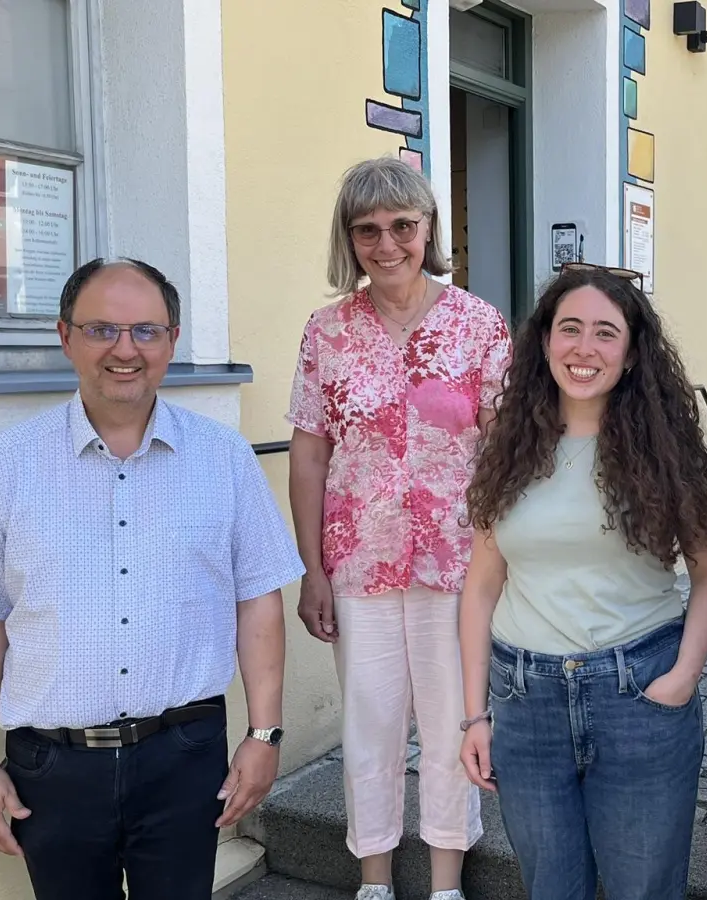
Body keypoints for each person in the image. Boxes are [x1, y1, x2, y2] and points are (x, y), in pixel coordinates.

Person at [0, 258, 305, 899]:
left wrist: (264, 735)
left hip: (184, 756)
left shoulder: (223, 457)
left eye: (146, 331)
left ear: (172, 341)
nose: (126, 350)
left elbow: (257, 598)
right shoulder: (5, 466)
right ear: (66, 337)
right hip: (52, 768)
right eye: (102, 330)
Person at [457, 263, 707, 900]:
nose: (584, 348)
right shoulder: (510, 443)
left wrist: (685, 675)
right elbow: (480, 585)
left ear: (633, 352)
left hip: (638, 694)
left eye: (606, 333)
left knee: (645, 889)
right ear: (545, 341)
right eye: (569, 328)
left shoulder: (668, 449)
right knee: (553, 888)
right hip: (526, 702)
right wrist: (475, 715)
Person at [286, 156, 511, 900]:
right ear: (348, 238)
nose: (387, 244)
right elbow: (311, 455)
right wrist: (312, 570)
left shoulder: (478, 325)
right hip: (358, 565)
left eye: (402, 226)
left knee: (453, 724)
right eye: (368, 230)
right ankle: (374, 879)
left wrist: (507, 562)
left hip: (459, 564)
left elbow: (509, 451)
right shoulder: (326, 333)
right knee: (370, 725)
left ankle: (446, 882)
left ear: (428, 230)